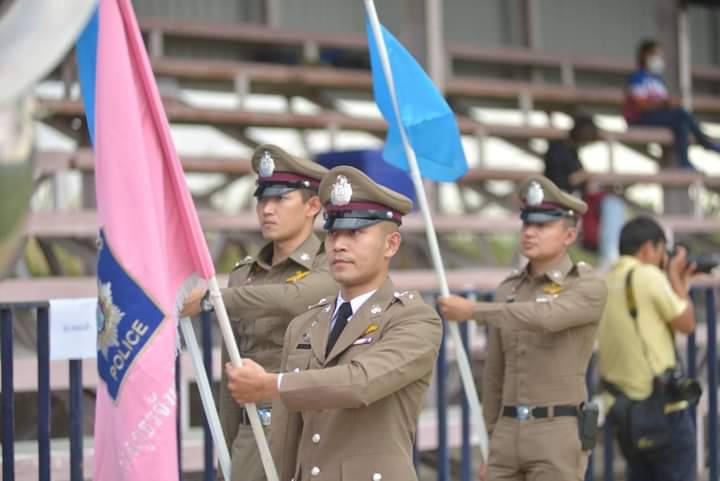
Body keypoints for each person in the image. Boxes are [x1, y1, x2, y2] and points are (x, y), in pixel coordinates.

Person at [222, 166, 442, 481]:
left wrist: (274, 384)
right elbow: (287, 432)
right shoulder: (305, 323)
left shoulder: (413, 319)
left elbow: (360, 383)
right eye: (334, 233)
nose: (339, 245)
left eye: (355, 233)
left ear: (391, 245)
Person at [181, 144, 337, 481]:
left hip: (315, 428)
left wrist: (212, 299)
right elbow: (232, 368)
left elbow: (294, 298)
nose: (267, 209)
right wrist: (226, 445)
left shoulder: (332, 264)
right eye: (263, 199)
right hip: (256, 429)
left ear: (312, 206)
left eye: (281, 199)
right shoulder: (243, 275)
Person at [438, 175, 608, 481]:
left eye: (542, 226)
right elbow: (495, 374)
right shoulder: (509, 289)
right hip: (506, 432)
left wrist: (474, 311)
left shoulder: (587, 286)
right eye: (527, 224)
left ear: (569, 236)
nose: (530, 232)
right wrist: (489, 439)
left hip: (557, 431)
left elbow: (546, 317)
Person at [598, 216, 697, 481]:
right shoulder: (647, 276)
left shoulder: (605, 282)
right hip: (661, 409)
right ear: (647, 249)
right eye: (661, 251)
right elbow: (686, 323)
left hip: (624, 411)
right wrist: (675, 276)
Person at [623, 38, 720, 169]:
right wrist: (664, 103)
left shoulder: (658, 80)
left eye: (660, 56)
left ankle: (685, 162)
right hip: (640, 119)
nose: (659, 59)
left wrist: (667, 103)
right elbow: (641, 105)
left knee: (681, 120)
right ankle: (705, 144)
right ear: (644, 55)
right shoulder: (637, 77)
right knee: (681, 114)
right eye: (655, 54)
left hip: (657, 118)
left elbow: (663, 103)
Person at [543, 114, 625, 269]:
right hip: (561, 200)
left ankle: (610, 257)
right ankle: (609, 258)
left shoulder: (572, 151)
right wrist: (584, 177)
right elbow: (559, 182)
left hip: (579, 202)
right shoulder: (557, 148)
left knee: (613, 204)